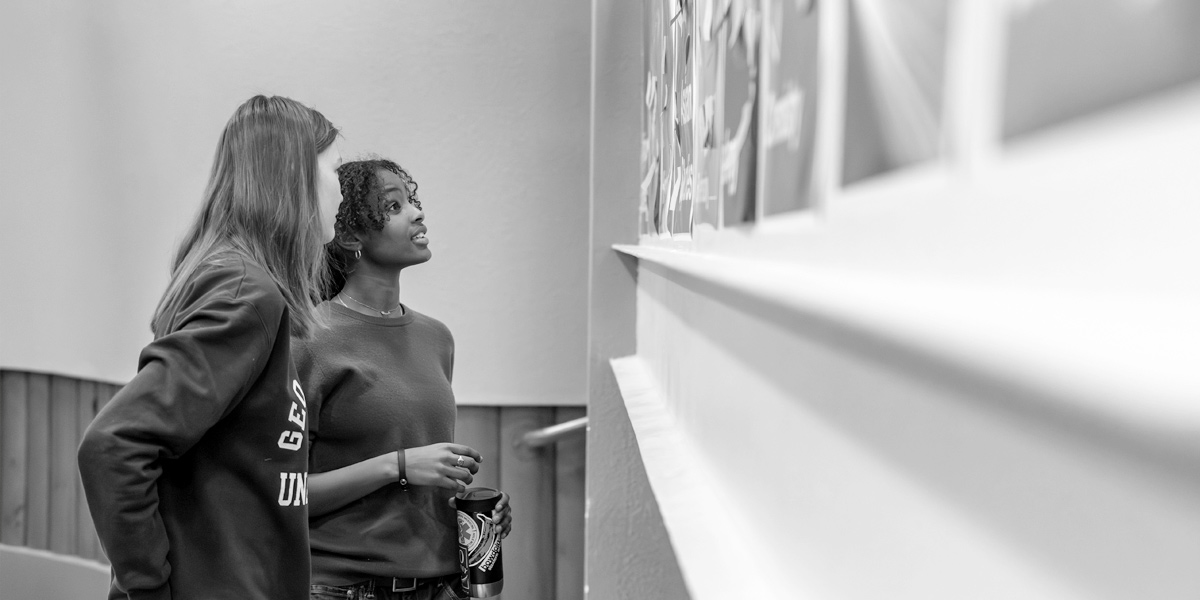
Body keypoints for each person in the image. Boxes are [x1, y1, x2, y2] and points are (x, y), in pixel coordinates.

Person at [77, 95, 342, 600]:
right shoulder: (247, 293)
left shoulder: (240, 280)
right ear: (295, 178)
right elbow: (113, 444)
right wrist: (149, 590)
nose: (342, 190)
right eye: (334, 169)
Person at [294, 158, 512, 600]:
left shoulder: (436, 338)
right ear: (351, 236)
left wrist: (475, 515)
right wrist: (398, 466)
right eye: (394, 207)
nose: (417, 213)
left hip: (445, 584)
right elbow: (285, 494)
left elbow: (425, 481)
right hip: (343, 588)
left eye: (412, 201)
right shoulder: (311, 339)